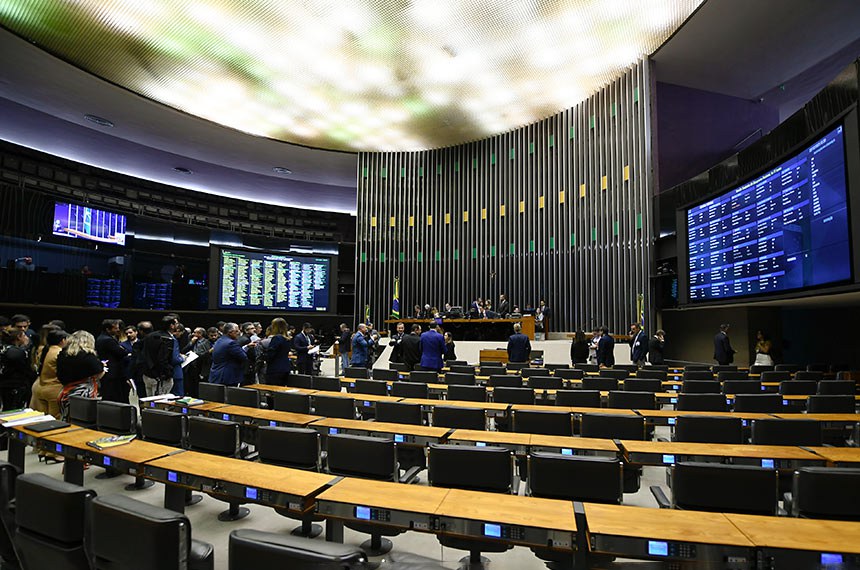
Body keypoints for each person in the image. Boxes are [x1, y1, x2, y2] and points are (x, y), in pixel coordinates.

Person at [56, 330, 104, 420]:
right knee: (84, 421)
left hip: (66, 393)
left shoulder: (62, 355)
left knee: (67, 419)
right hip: (84, 394)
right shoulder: (88, 356)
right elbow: (99, 373)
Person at [31, 328, 68, 419]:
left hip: (40, 387)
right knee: (54, 420)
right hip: (54, 390)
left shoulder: (43, 350)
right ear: (63, 340)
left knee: (41, 419)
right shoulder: (59, 353)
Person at [141, 315, 181, 396]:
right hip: (160, 377)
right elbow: (162, 359)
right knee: (160, 401)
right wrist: (169, 373)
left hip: (147, 374)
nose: (178, 325)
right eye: (176, 324)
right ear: (171, 325)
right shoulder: (167, 339)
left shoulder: (150, 335)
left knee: (149, 401)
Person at [0, 328, 36, 411]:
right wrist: (26, 347)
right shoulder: (17, 352)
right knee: (14, 410)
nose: (26, 337)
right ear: (19, 337)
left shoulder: (4, 348)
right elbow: (26, 369)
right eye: (24, 335)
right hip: (16, 385)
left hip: (4, 384)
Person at [96, 318, 131, 403]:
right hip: (113, 372)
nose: (118, 330)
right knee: (115, 396)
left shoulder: (100, 338)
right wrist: (125, 351)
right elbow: (122, 353)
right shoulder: (108, 340)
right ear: (108, 329)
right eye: (115, 328)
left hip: (108, 370)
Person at [264, 318, 293, 386]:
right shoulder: (287, 338)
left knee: (272, 389)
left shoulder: (277, 338)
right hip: (285, 367)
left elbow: (271, 354)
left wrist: (264, 356)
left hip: (275, 369)